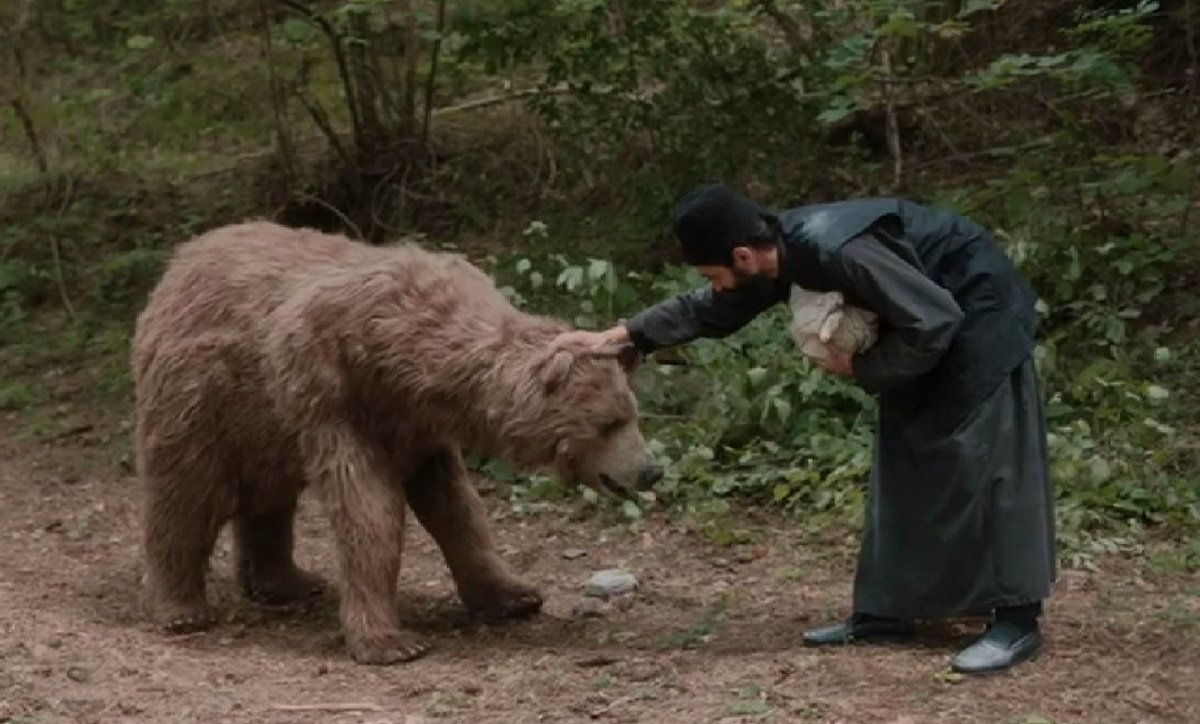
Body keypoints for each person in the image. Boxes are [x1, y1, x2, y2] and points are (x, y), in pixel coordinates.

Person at [553, 183, 1057, 674]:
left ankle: (1016, 621)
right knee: (904, 459)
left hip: (977, 317)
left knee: (987, 463)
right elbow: (714, 309)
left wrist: (863, 369)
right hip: (920, 326)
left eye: (714, 273)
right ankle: (890, 612)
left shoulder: (841, 249)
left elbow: (935, 319)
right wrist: (623, 335)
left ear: (742, 257)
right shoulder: (779, 254)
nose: (715, 284)